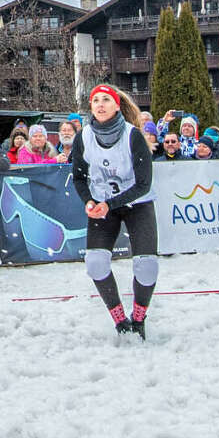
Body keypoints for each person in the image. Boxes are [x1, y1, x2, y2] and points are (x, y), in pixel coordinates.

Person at [71, 85, 159, 338]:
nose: (100, 104)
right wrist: (88, 201)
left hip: (137, 203)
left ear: (117, 105)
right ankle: (120, 320)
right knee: (96, 264)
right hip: (102, 206)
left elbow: (144, 184)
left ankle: (139, 318)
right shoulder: (84, 136)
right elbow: (78, 177)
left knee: (147, 266)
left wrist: (110, 204)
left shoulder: (133, 136)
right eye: (95, 100)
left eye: (106, 100)